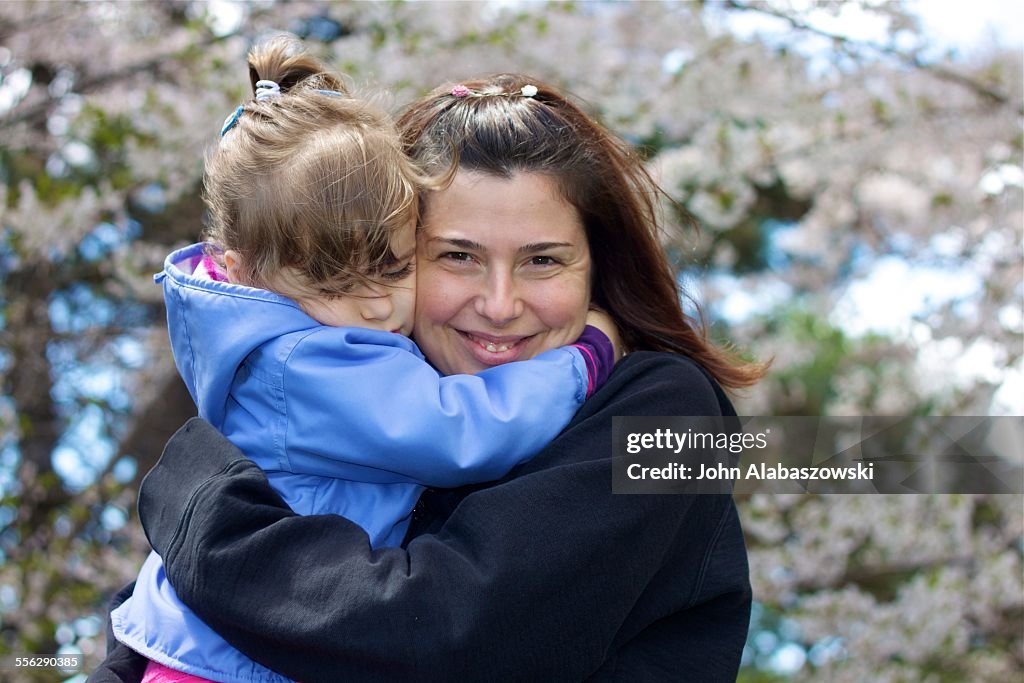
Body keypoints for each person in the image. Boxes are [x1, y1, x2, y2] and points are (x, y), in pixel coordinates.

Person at [91, 70, 765, 683]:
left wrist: (199, 514)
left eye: (544, 261)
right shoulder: (359, 392)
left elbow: (450, 633)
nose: (500, 303)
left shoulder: (672, 417)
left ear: (598, 269)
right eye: (458, 256)